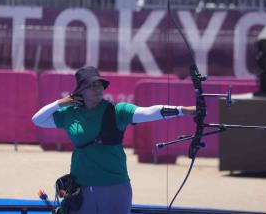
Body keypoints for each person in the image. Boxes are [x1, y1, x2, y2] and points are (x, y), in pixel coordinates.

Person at [32, 66, 196, 214]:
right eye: (91, 85)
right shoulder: (70, 113)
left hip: (114, 187)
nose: (98, 88)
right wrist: (59, 103)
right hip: (80, 189)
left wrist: (184, 110)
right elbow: (37, 120)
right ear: (80, 90)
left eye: (99, 84)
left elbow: (148, 112)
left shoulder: (117, 110)